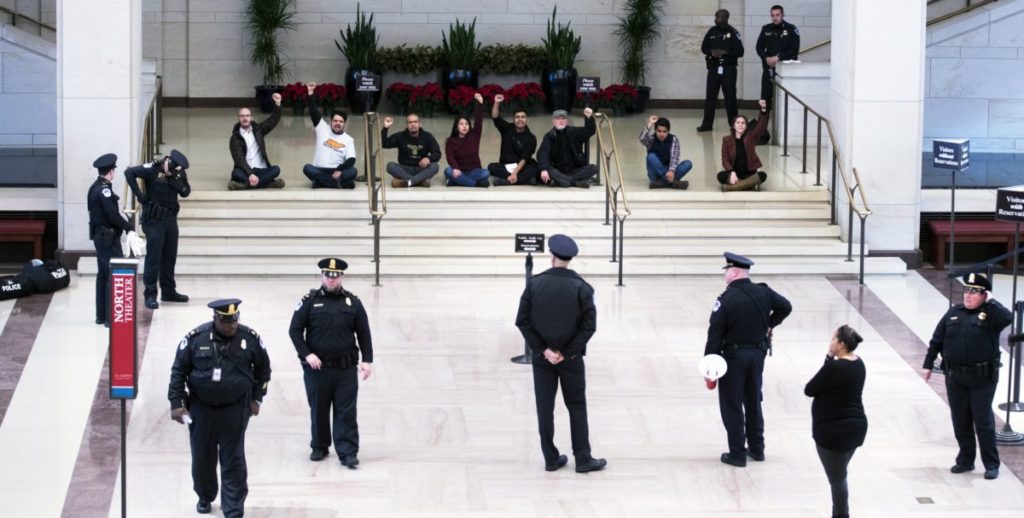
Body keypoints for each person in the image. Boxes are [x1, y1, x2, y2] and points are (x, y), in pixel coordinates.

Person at [168, 299, 271, 517]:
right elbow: (178, 371)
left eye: (234, 320)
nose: (231, 325)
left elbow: (264, 370)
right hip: (201, 409)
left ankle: (233, 507)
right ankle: (205, 496)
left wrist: (257, 398)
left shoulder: (249, 339)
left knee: (233, 460)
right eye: (226, 321)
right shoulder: (196, 339)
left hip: (235, 409)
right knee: (203, 458)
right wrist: (176, 403)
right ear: (215, 319)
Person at [516, 234, 607, 474]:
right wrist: (567, 353)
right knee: (577, 405)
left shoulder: (534, 284)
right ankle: (583, 458)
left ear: (552, 256)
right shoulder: (582, 288)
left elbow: (523, 322)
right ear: (569, 259)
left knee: (544, 408)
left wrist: (543, 350)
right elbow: (589, 326)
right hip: (571, 360)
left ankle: (550, 458)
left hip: (542, 358)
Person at [704, 252, 792, 467]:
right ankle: (757, 448)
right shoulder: (763, 292)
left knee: (732, 403)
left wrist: (709, 365)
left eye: (727, 271)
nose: (725, 275)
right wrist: (770, 324)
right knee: (753, 400)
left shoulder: (725, 300)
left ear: (734, 272)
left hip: (733, 358)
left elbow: (715, 334)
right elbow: (786, 306)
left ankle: (737, 453)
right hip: (757, 355)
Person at [922, 273, 1012, 480]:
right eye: (966, 290)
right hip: (955, 377)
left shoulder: (991, 315)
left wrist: (991, 301)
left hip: (982, 378)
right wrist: (928, 364)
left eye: (974, 292)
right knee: (960, 420)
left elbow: (1008, 318)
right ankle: (965, 460)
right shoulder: (954, 313)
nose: (968, 295)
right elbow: (937, 339)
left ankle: (991, 464)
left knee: (983, 422)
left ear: (984, 295)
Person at [289, 258, 373, 468]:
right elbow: (295, 330)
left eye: (335, 277)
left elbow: (363, 332)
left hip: (345, 368)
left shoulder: (353, 302)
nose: (331, 280)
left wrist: (367, 360)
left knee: (346, 411)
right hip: (318, 368)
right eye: (328, 276)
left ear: (341, 277)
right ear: (322, 276)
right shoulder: (309, 301)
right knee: (319, 408)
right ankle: (319, 445)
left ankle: (347, 451)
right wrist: (307, 355)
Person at [804, 325, 867, 518]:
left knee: (837, 479)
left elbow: (810, 389)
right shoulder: (859, 363)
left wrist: (828, 359)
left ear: (841, 344)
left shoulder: (835, 367)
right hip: (856, 427)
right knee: (839, 474)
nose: (830, 341)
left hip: (833, 432)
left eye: (833, 338)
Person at [125, 149, 191, 310]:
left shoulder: (178, 173)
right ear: (168, 160)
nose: (178, 170)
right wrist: (139, 195)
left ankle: (168, 291)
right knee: (153, 258)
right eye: (175, 167)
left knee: (169, 257)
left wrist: (172, 177)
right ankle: (150, 294)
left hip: (170, 219)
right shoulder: (153, 168)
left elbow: (185, 192)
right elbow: (129, 172)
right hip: (154, 221)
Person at [87, 153, 133, 325]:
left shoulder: (94, 187)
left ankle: (101, 315)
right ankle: (110, 317)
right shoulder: (104, 190)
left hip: (100, 236)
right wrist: (128, 227)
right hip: (108, 238)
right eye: (113, 169)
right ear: (110, 171)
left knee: (102, 275)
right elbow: (113, 215)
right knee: (113, 276)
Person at [301, 82, 358, 189]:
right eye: (335, 120)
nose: (337, 123)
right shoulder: (322, 128)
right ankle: (338, 183)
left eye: (341, 121)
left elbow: (351, 160)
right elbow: (313, 112)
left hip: (337, 170)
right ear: (331, 122)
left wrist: (340, 169)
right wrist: (311, 93)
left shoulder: (348, 139)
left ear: (344, 124)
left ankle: (320, 182)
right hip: (320, 169)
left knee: (353, 171)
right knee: (307, 168)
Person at [697, 9, 744, 132]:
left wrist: (724, 52)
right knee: (710, 97)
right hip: (713, 68)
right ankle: (707, 124)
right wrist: (712, 52)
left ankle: (734, 124)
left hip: (728, 69)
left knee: (730, 97)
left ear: (726, 18)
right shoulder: (712, 31)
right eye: (716, 16)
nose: (716, 19)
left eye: (718, 17)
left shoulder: (733, 32)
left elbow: (740, 52)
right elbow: (703, 48)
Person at [228, 95, 285, 190]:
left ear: (251, 117)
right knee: (236, 173)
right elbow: (239, 159)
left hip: (261, 169)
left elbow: (273, 120)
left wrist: (278, 103)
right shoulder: (235, 138)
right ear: (238, 118)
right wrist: (250, 174)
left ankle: (245, 185)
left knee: (276, 169)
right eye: (242, 116)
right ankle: (267, 183)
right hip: (245, 171)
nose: (245, 118)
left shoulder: (259, 129)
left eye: (247, 116)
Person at [536, 108, 598, 188]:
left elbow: (589, 131)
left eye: (563, 118)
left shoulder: (574, 132)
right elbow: (543, 152)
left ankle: (562, 182)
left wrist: (589, 118)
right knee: (548, 170)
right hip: (558, 171)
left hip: (575, 170)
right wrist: (544, 169)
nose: (561, 121)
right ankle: (575, 182)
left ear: (567, 121)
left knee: (594, 168)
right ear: (553, 122)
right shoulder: (549, 136)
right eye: (558, 119)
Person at [487, 93, 539, 186]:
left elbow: (524, 159)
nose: (520, 119)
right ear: (513, 119)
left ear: (527, 119)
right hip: (506, 166)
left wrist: (515, 173)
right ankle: (526, 180)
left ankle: (505, 181)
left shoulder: (531, 138)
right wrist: (496, 103)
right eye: (517, 117)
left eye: (523, 117)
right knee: (491, 167)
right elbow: (495, 117)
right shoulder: (507, 128)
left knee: (535, 167)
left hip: (521, 166)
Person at [719, 100, 771, 191]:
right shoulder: (726, 140)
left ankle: (733, 187)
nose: (740, 125)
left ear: (746, 126)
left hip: (749, 174)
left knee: (762, 175)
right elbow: (725, 160)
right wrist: (732, 173)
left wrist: (763, 110)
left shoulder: (751, 137)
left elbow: (761, 126)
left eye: (743, 123)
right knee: (721, 176)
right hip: (735, 174)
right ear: (733, 126)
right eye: (738, 123)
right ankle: (748, 185)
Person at [756, 5, 800, 109]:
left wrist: (778, 57)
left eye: (777, 15)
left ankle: (784, 123)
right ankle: (762, 124)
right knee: (764, 99)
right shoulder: (766, 28)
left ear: (782, 15)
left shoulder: (791, 29)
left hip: (786, 71)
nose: (775, 17)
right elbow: (759, 47)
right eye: (772, 15)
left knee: (785, 99)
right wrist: (766, 58)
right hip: (769, 68)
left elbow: (794, 50)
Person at [382, 113, 442, 188]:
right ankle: (420, 181)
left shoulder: (427, 136)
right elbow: (384, 144)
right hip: (405, 168)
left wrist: (428, 159)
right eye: (410, 122)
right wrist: (385, 127)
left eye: (415, 122)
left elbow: (437, 153)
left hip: (421, 169)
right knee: (390, 166)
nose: (413, 124)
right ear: (406, 125)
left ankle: (407, 181)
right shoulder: (400, 136)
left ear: (420, 124)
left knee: (434, 166)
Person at [444, 93, 490, 187]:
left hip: (474, 170)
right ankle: (475, 184)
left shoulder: (474, 135)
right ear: (456, 127)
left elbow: (478, 121)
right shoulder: (450, 141)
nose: (464, 126)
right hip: (459, 170)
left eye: (467, 124)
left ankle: (456, 181)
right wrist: (456, 168)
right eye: (461, 124)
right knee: (448, 171)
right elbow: (450, 158)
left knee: (486, 173)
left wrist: (480, 104)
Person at [639, 115, 692, 190]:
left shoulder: (673, 139)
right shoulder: (651, 139)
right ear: (655, 130)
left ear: (668, 131)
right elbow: (642, 138)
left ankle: (660, 184)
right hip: (654, 174)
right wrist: (650, 123)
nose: (661, 134)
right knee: (650, 157)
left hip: (669, 172)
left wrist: (671, 171)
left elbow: (675, 158)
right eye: (659, 131)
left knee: (688, 163)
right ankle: (673, 182)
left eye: (664, 131)